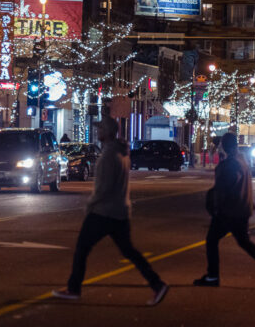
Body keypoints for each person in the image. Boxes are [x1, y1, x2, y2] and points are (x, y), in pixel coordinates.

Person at [53, 116, 168, 305]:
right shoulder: (121, 153)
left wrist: (91, 204)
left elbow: (104, 188)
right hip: (120, 210)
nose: (98, 132)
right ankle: (157, 284)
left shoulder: (108, 156)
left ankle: (73, 289)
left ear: (106, 133)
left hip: (103, 211)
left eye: (100, 129)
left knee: (82, 248)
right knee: (129, 251)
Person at [193, 132, 255, 288]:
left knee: (213, 241)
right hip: (240, 209)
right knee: (243, 242)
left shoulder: (231, 164)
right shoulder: (240, 160)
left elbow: (225, 188)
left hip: (230, 210)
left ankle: (213, 276)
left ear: (225, 146)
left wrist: (216, 206)